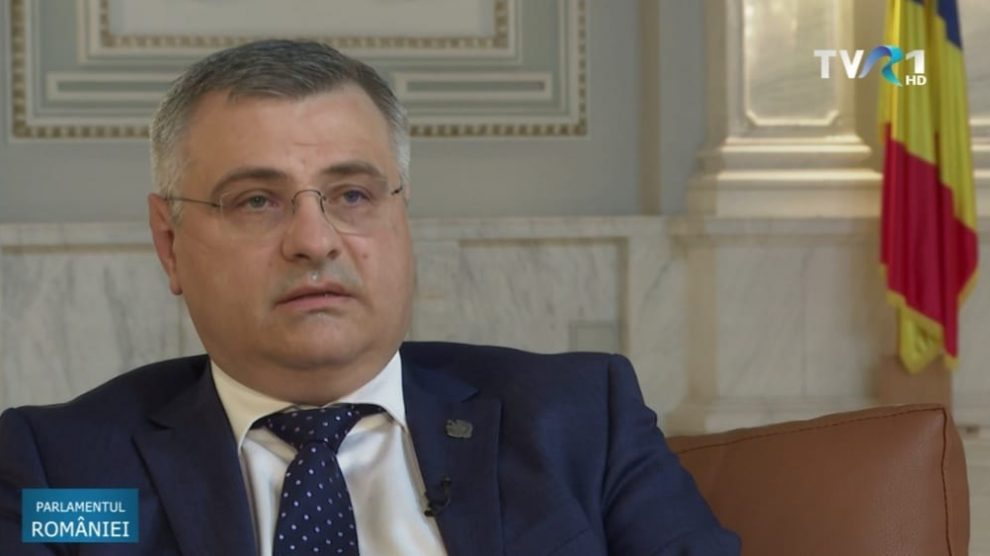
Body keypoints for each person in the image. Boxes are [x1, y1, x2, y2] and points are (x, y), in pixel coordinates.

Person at [0, 39, 740, 555]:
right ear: (170, 243)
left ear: (401, 217)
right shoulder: (66, 476)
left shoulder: (578, 420)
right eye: (257, 201)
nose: (314, 240)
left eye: (352, 194)